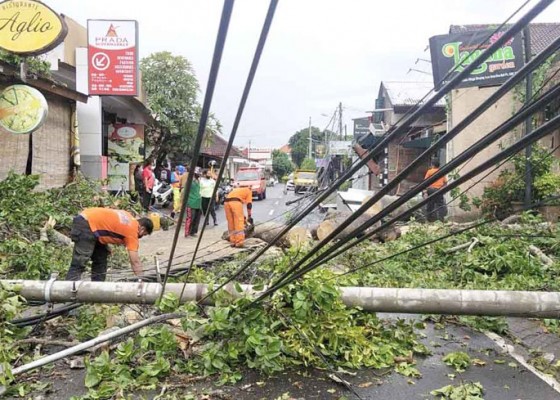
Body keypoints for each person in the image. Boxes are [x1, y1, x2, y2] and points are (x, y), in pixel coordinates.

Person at [65, 208, 153, 281]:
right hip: (86, 224)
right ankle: (68, 292)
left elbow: (109, 224)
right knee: (80, 261)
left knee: (101, 259)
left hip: (91, 222)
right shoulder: (132, 231)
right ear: (142, 229)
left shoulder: (129, 217)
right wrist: (142, 280)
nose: (140, 237)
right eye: (143, 234)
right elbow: (135, 262)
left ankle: (97, 291)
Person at [183, 167, 202, 237]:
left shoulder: (198, 181)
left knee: (197, 218)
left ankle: (193, 232)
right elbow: (185, 192)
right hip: (191, 202)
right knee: (190, 218)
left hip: (198, 202)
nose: (198, 175)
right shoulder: (190, 181)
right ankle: (187, 233)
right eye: (197, 174)